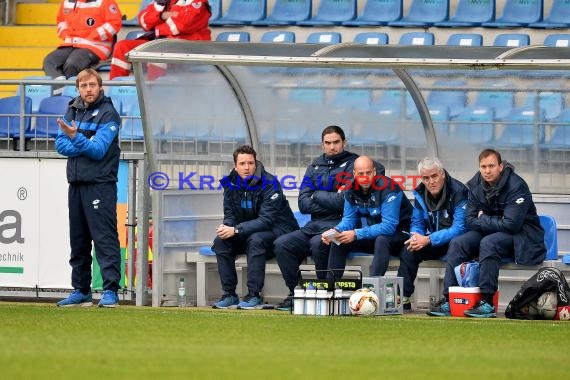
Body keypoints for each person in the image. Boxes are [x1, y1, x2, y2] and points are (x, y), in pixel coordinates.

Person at [428, 149, 546, 318]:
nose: (487, 170)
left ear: (501, 166)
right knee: (458, 243)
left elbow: (512, 225)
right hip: (492, 232)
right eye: (483, 166)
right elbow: (469, 220)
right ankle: (449, 299)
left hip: (523, 236)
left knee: (490, 243)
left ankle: (487, 303)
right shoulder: (476, 184)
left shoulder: (517, 185)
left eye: (491, 166)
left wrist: (483, 219)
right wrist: (492, 221)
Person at [55, 68, 122, 308]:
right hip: (76, 183)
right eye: (83, 86)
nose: (88, 90)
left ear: (100, 86)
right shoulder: (72, 108)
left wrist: (75, 138)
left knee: (104, 239)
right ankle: (81, 289)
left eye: (92, 85)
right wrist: (80, 141)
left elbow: (98, 150)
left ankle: (111, 290)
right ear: (78, 89)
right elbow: (59, 144)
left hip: (100, 184)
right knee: (79, 240)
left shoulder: (108, 114)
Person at [273, 126, 358, 311]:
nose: (332, 147)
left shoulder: (354, 164)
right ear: (322, 145)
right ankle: (297, 292)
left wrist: (317, 195)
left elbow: (344, 201)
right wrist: (330, 196)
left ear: (344, 142)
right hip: (314, 224)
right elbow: (303, 204)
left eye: (336, 142)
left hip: (339, 223)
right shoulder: (314, 166)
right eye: (328, 143)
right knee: (282, 244)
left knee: (317, 244)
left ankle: (324, 293)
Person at [212, 145, 299, 309]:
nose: (247, 167)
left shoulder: (270, 183)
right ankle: (229, 294)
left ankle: (254, 295)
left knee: (256, 240)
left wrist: (236, 230)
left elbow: (267, 220)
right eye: (242, 163)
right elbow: (230, 214)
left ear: (256, 162)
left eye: (250, 163)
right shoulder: (230, 183)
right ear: (235, 166)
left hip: (280, 230)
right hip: (249, 230)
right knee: (220, 242)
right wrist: (227, 227)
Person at [319, 155, 413, 282]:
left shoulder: (388, 188)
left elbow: (389, 226)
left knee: (382, 240)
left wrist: (356, 233)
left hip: (401, 235)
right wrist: (335, 231)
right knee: (339, 240)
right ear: (354, 174)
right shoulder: (351, 189)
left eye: (368, 173)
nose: (364, 177)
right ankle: (331, 288)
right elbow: (349, 219)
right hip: (375, 235)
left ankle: (371, 290)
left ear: (374, 172)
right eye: (361, 173)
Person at [396, 157, 468, 311]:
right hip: (433, 241)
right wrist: (416, 237)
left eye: (434, 176)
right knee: (409, 248)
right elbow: (417, 222)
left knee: (456, 246)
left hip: (456, 242)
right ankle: (403, 297)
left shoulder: (459, 191)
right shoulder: (420, 192)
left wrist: (428, 239)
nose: (430, 182)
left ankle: (449, 300)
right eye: (426, 178)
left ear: (442, 174)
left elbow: (459, 229)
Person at [108, 0, 212, 79]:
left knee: (157, 52)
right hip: (163, 42)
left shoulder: (199, 2)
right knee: (122, 47)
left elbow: (180, 26)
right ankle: (117, 90)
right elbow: (143, 20)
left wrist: (157, 27)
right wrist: (162, 15)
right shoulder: (164, 1)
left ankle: (151, 94)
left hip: (188, 48)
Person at [44, 0, 122, 81]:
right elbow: (61, 20)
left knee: (73, 63)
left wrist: (93, 35)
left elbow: (114, 23)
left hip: (95, 45)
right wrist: (65, 34)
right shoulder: (66, 2)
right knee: (49, 61)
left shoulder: (105, 2)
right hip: (71, 43)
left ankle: (74, 90)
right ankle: (61, 88)